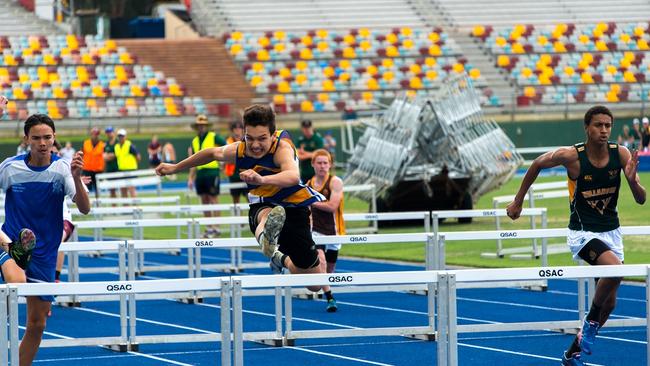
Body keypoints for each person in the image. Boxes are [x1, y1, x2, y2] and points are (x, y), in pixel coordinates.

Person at [505, 106, 646, 366]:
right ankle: (590, 325)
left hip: (611, 233)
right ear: (587, 127)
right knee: (615, 272)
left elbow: (641, 200)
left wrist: (634, 181)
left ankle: (572, 354)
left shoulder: (621, 154)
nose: (603, 130)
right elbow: (537, 163)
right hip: (583, 233)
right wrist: (518, 201)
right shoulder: (572, 156)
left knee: (610, 304)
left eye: (607, 125)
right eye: (598, 125)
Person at [156, 104, 326, 292]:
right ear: (243, 134)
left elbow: (292, 176)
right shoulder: (241, 149)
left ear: (272, 134)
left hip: (294, 206)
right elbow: (212, 153)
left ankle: (279, 259)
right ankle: (266, 237)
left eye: (262, 139)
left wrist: (262, 178)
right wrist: (175, 167)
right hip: (263, 203)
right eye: (249, 138)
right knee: (267, 214)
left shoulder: (282, 148)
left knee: (315, 284)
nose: (255, 145)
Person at [0, 114, 90, 365]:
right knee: (15, 282)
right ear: (26, 139)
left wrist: (76, 177)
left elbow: (84, 209)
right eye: (36, 138)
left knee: (37, 324)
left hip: (44, 253)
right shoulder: (10, 167)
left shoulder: (62, 169)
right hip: (11, 242)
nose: (42, 142)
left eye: (47, 137)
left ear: (54, 138)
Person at [306, 149, 345, 312]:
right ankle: (330, 298)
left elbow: (332, 206)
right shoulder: (308, 184)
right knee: (320, 261)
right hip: (316, 232)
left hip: (334, 232)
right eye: (319, 163)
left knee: (329, 270)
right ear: (313, 164)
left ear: (330, 165)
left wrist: (312, 202)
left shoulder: (335, 182)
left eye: (325, 163)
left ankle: (325, 287)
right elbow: (305, 209)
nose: (323, 166)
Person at [188, 115, 227, 238]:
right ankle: (208, 227)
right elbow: (193, 161)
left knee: (213, 199)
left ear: (206, 126)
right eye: (199, 125)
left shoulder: (213, 136)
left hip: (212, 172)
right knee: (204, 200)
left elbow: (226, 146)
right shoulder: (194, 141)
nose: (201, 127)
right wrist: (190, 178)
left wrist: (223, 163)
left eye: (203, 125)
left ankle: (216, 227)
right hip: (200, 174)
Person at [223, 120, 247, 204]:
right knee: (235, 199)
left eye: (239, 128)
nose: (237, 130)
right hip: (233, 174)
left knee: (249, 197)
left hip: (246, 172)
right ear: (232, 130)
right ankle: (237, 215)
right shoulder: (228, 141)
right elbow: (226, 157)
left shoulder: (247, 140)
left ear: (242, 130)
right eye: (235, 128)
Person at [114, 128, 141, 198]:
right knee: (123, 189)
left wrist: (133, 164)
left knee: (131, 189)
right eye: (119, 136)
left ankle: (135, 206)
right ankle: (125, 207)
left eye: (122, 136)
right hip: (121, 170)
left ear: (125, 136)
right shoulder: (116, 147)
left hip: (131, 170)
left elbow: (138, 156)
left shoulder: (130, 145)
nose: (121, 138)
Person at [81, 127, 105, 199]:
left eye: (97, 134)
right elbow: (81, 154)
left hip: (98, 170)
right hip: (87, 169)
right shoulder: (86, 143)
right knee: (85, 189)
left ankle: (98, 204)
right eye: (94, 134)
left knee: (98, 189)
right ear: (91, 134)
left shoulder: (102, 144)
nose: (95, 136)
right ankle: (87, 205)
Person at [103, 126, 119, 199]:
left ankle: (125, 207)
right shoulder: (105, 144)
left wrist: (110, 155)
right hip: (109, 169)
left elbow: (116, 154)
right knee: (112, 189)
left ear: (113, 132)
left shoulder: (117, 142)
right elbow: (103, 156)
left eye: (110, 132)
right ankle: (113, 207)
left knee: (122, 188)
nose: (109, 134)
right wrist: (110, 155)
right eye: (107, 132)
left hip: (118, 168)